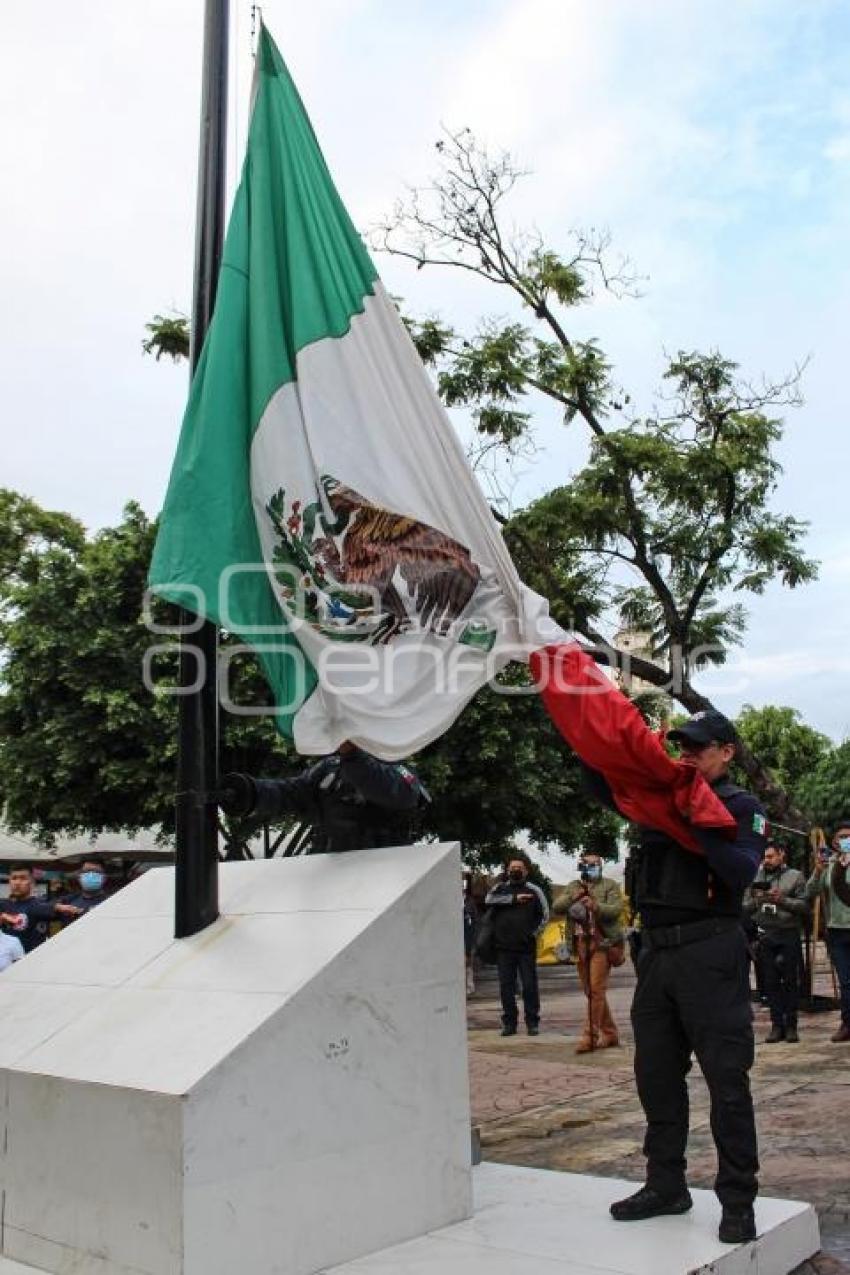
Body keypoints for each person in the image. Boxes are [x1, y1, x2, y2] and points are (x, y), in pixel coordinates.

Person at [583, 709, 766, 1245]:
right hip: (657, 957)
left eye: (699, 747)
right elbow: (600, 783)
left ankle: (738, 1200)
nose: (687, 755)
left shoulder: (741, 806)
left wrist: (692, 817)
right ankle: (666, 1185)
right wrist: (590, 735)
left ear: (726, 752)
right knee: (656, 1078)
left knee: (726, 1081)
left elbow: (739, 870)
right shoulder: (656, 800)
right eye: (681, 746)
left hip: (710, 950)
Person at [218, 743, 429, 853]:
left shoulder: (397, 768)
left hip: (385, 881)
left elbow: (392, 791)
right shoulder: (329, 769)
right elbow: (289, 793)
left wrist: (352, 755)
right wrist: (247, 792)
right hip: (330, 878)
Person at [555, 853, 625, 1053]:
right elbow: (557, 907)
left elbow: (616, 910)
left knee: (596, 990)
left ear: (601, 867)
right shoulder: (573, 885)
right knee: (591, 992)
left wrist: (596, 906)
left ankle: (590, 1037)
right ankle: (610, 1032)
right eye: (587, 865)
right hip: (580, 944)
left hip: (602, 943)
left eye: (595, 865)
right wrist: (572, 896)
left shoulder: (610, 885)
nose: (591, 868)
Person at [743, 845, 808, 1043]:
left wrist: (782, 900)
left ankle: (791, 1026)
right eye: (764, 857)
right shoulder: (755, 877)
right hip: (765, 934)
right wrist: (758, 900)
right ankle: (776, 1025)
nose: (766, 860)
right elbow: (744, 907)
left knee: (790, 981)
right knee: (770, 982)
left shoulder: (795, 876)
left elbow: (805, 906)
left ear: (781, 855)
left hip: (788, 933)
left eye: (771, 856)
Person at [484, 855, 548, 1037]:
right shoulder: (499, 889)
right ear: (507, 870)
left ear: (526, 871)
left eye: (519, 867)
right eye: (512, 867)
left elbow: (545, 915)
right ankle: (509, 1024)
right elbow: (489, 900)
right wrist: (514, 898)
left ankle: (532, 1023)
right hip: (503, 948)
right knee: (506, 987)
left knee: (529, 986)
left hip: (526, 948)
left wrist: (533, 934)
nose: (516, 870)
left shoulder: (535, 890)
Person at [806, 820, 850, 1043]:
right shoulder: (830, 864)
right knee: (846, 980)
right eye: (841, 837)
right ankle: (847, 1022)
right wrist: (818, 870)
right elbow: (810, 891)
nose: (845, 840)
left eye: (848, 836)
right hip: (837, 931)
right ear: (834, 842)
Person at [0, 865, 82, 951]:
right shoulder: (3, 906)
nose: (17, 882)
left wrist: (58, 907)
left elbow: (39, 908)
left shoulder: (40, 905)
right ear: (9, 881)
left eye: (23, 878)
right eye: (14, 878)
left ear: (32, 883)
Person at [462, 868, 479, 995]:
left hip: (468, 932)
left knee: (468, 960)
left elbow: (475, 919)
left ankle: (469, 985)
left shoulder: (469, 901)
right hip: (456, 933)